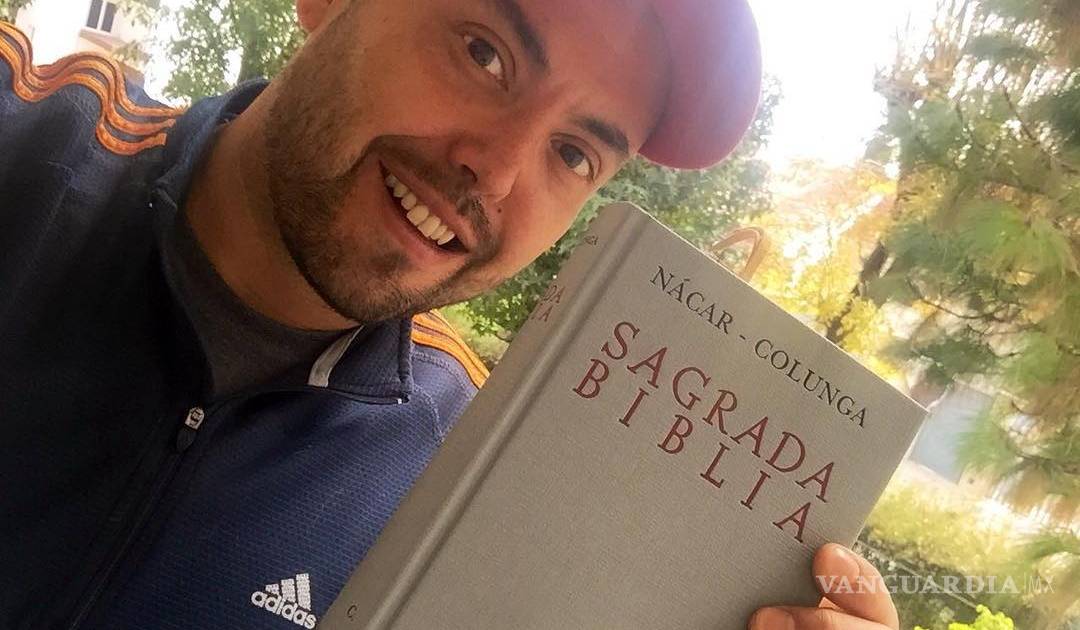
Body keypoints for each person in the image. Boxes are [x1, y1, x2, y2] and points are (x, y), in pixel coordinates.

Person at [0, 0, 900, 628]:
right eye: (484, 53)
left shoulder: (461, 489)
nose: (496, 172)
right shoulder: (24, 145)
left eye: (573, 154)